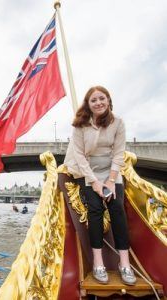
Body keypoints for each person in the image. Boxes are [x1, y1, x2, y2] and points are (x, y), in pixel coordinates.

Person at [64, 86, 136, 285]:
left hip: (111, 171)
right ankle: (98, 262)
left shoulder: (118, 123)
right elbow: (79, 156)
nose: (98, 103)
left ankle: (124, 263)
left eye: (101, 98)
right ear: (88, 104)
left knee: (117, 210)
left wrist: (111, 181)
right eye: (93, 100)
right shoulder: (80, 125)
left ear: (108, 100)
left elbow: (119, 153)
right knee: (95, 211)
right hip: (89, 172)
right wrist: (95, 182)